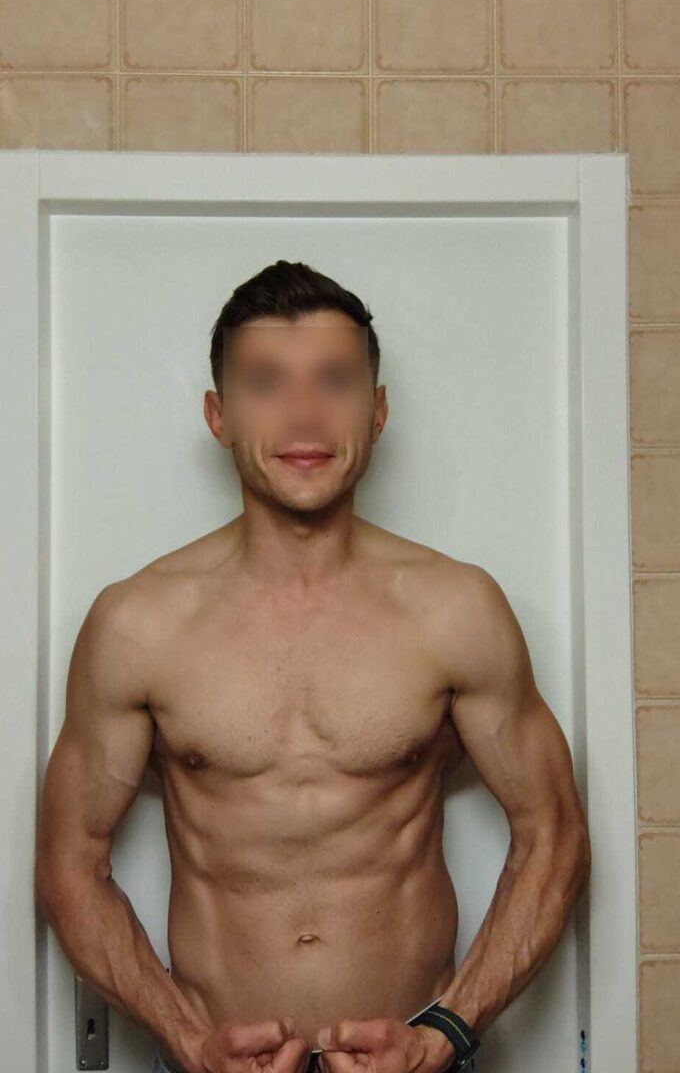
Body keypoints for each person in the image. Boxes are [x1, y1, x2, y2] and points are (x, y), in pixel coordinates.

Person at [34, 260, 591, 1073]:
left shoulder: (456, 610)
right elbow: (68, 865)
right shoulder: (137, 625)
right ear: (219, 415)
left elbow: (555, 835)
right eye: (266, 383)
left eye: (334, 380)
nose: (304, 413)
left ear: (378, 410)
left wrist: (447, 1030)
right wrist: (187, 1039)